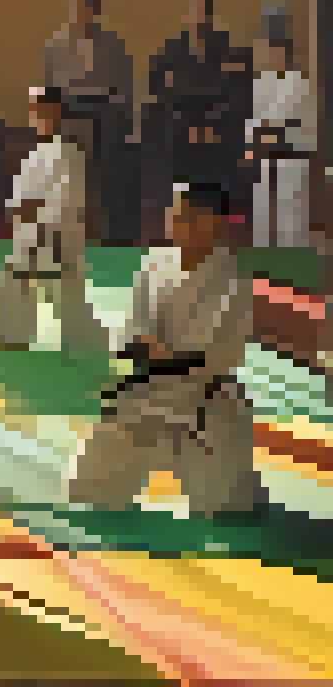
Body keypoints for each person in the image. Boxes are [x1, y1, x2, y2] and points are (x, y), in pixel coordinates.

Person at [66, 181, 264, 518]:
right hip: (148, 388)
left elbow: (211, 356)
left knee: (226, 510)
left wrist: (161, 353)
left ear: (213, 222)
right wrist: (147, 353)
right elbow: (134, 334)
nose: (177, 222)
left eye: (187, 215)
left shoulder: (233, 281)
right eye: (175, 214)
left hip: (209, 397)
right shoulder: (155, 264)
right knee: (87, 490)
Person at [0, 88, 107, 354]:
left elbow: (65, 202)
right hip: (33, 237)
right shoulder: (36, 153)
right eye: (34, 110)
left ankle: (87, 347)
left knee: (66, 302)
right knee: (22, 282)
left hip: (55, 239)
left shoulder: (67, 152)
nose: (36, 115)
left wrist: (34, 218)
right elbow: (21, 200)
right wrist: (23, 214)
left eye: (43, 110)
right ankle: (13, 339)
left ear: (56, 112)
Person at [150, 0, 250, 235]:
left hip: (218, 123)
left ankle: (220, 222)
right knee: (170, 136)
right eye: (194, 13)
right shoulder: (173, 49)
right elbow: (162, 90)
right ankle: (179, 220)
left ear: (210, 17)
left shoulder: (225, 47)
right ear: (187, 16)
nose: (198, 19)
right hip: (182, 122)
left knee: (228, 141)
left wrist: (211, 124)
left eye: (203, 14)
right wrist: (189, 125)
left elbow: (235, 91)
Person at [44, 0, 139, 245]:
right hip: (69, 111)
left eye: (86, 8)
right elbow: (50, 89)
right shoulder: (56, 45)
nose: (81, 14)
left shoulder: (113, 44)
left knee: (116, 170)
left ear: (95, 12)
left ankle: (115, 238)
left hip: (106, 111)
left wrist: (129, 123)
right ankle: (62, 237)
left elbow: (125, 86)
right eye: (76, 8)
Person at [245, 35, 314, 248]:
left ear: (288, 56)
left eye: (281, 53)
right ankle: (262, 252)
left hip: (291, 152)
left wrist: (270, 130)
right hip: (264, 153)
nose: (277, 57)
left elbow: (287, 116)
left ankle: (293, 252)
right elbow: (252, 118)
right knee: (262, 208)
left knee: (291, 210)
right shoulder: (261, 83)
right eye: (273, 52)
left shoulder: (299, 83)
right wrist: (253, 143)